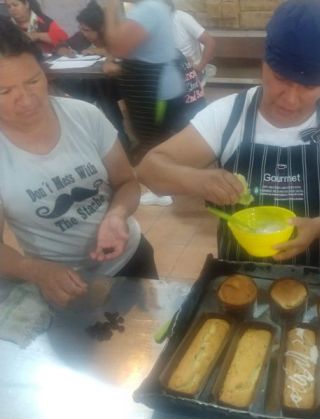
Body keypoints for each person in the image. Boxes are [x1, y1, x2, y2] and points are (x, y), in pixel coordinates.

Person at [137, 0, 320, 270]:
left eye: (309, 87)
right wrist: (197, 180)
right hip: (239, 277)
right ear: (263, 63)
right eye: (281, 79)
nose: (291, 100)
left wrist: (318, 227)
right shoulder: (228, 115)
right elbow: (148, 170)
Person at [0, 17, 157, 307]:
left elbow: (126, 182)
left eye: (33, 80)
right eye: (4, 92)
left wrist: (116, 216)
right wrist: (33, 270)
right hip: (60, 282)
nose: (26, 100)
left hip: (131, 260)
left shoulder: (84, 115)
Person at [104, 0, 204, 206]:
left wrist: (110, 8)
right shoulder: (149, 7)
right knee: (157, 137)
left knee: (154, 140)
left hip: (155, 89)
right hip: (156, 85)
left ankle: (162, 191)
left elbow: (118, 46)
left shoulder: (149, 8)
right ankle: (165, 186)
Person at [55, 1, 130, 151]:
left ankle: (119, 136)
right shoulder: (82, 37)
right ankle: (107, 130)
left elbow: (121, 51)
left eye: (87, 30)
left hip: (120, 82)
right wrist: (66, 51)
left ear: (101, 28)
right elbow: (61, 46)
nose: (83, 32)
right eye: (81, 29)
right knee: (65, 81)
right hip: (98, 82)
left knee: (100, 89)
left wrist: (99, 51)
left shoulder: (114, 35)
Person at [165, 0, 216, 86]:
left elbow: (210, 42)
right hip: (169, 73)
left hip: (191, 73)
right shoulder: (152, 24)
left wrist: (200, 67)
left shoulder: (182, 18)